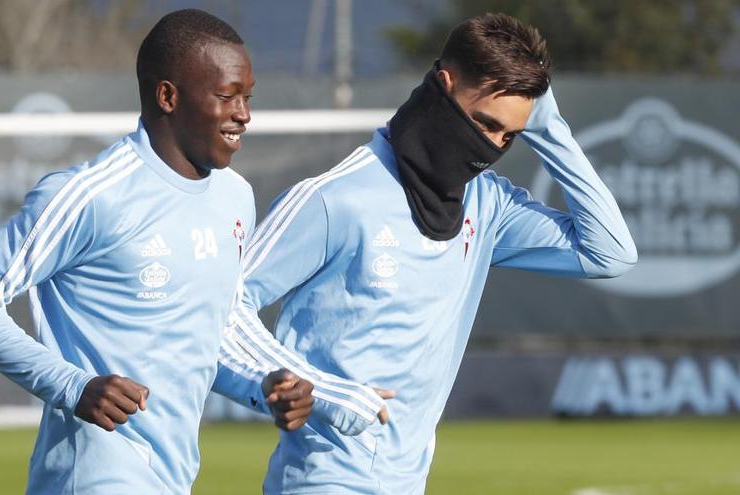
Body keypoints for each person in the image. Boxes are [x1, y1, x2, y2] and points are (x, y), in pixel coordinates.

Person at [0, 9, 387, 494]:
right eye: (226, 96)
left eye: (248, 97)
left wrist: (266, 387)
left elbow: (205, 340)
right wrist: (72, 386)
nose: (244, 114)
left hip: (173, 477)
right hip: (92, 479)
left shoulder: (234, 198)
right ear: (168, 96)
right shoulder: (92, 193)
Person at [211, 13, 637, 494]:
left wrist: (548, 125)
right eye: (484, 124)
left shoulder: (486, 204)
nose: (491, 147)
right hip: (321, 482)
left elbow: (609, 252)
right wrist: (323, 391)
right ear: (444, 86)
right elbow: (219, 307)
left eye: (509, 136)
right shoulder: (335, 200)